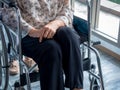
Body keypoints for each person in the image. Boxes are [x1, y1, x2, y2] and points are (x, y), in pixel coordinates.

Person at [0, 0, 83, 90]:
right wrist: (32, 31)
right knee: (52, 49)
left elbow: (67, 9)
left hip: (57, 26)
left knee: (69, 34)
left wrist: (55, 24)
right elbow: (8, 14)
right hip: (29, 33)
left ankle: (77, 87)